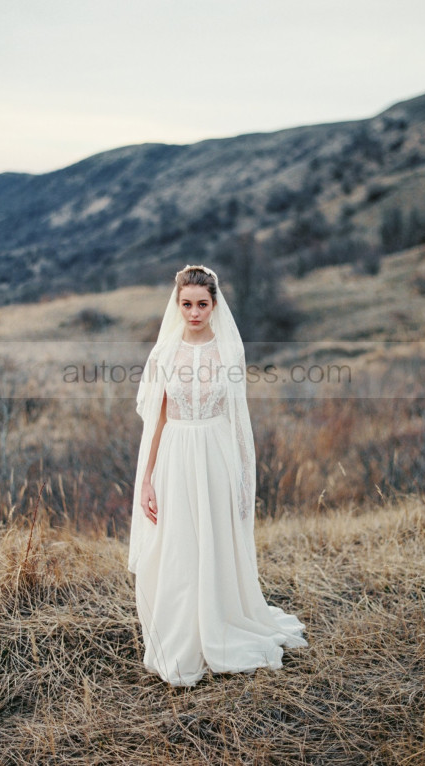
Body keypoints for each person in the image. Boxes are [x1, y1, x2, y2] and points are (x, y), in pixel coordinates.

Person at [129, 264, 308, 686]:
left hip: (216, 456)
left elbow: (238, 421)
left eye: (202, 304)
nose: (194, 313)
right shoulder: (164, 354)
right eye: (186, 304)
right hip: (174, 455)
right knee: (176, 546)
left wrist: (245, 477)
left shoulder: (228, 351)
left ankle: (221, 622)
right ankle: (180, 636)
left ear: (214, 304)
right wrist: (147, 479)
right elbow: (154, 422)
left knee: (213, 540)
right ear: (177, 304)